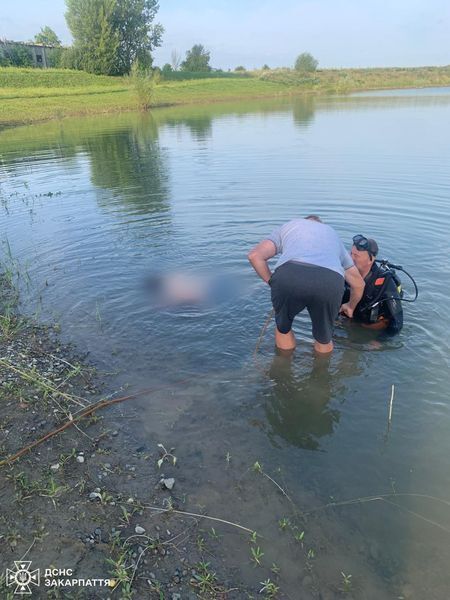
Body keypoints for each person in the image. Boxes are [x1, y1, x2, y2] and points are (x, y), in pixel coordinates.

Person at [248, 216, 365, 353]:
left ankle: (283, 369)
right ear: (321, 225)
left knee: (283, 329)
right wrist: (350, 307)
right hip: (329, 281)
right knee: (324, 339)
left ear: (305, 221)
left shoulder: (290, 226)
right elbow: (359, 284)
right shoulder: (332, 234)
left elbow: (254, 256)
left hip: (289, 276)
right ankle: (322, 371)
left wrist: (272, 283)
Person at [341, 234, 403, 335]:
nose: (351, 259)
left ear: (371, 259)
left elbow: (397, 323)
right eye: (351, 254)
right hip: (351, 319)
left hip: (372, 325)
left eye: (356, 256)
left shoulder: (385, 282)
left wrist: (380, 341)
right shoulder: (344, 274)